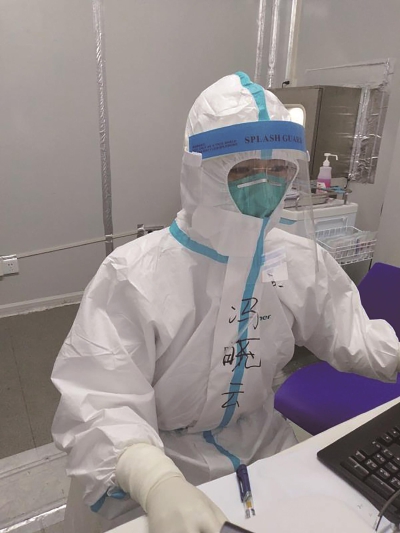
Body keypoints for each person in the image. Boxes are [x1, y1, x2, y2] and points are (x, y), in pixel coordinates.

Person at [51, 72, 400, 533]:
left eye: (279, 170)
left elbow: (353, 335)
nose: (265, 185)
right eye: (245, 169)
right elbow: (101, 398)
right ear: (203, 173)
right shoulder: (135, 274)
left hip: (260, 448)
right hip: (153, 462)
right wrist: (155, 482)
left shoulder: (298, 261)